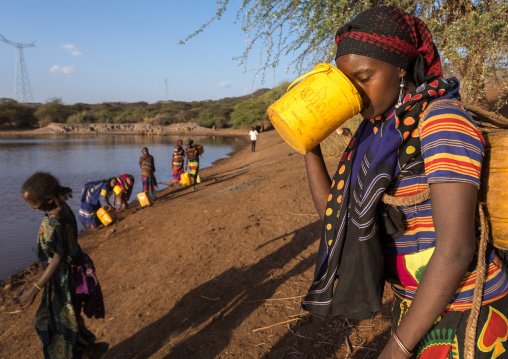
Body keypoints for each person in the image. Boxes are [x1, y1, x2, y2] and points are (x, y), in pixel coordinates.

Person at [301, 6, 508, 358]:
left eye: (364, 77)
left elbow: (455, 249)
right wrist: (309, 143)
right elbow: (338, 218)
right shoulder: (375, 132)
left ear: (400, 68)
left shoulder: (441, 121)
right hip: (414, 309)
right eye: (346, 81)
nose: (355, 92)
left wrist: (396, 348)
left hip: (467, 310)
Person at [15, 172, 107, 359]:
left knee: (58, 326)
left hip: (64, 278)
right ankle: (88, 349)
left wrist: (33, 290)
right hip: (76, 272)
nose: (31, 208)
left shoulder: (53, 220)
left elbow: (57, 259)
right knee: (71, 320)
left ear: (48, 199)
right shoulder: (62, 207)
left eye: (33, 203)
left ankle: (84, 352)